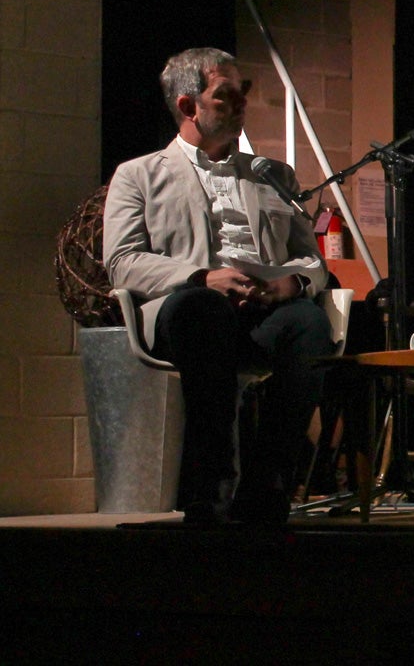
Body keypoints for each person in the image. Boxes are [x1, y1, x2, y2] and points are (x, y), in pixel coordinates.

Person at [103, 48, 332, 526]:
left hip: (261, 307)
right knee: (202, 311)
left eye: (242, 94)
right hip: (187, 310)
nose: (240, 105)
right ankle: (209, 486)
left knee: (309, 323)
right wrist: (201, 277)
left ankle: (267, 485)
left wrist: (294, 282)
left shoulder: (273, 175)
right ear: (188, 107)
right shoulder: (138, 175)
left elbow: (312, 257)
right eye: (224, 96)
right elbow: (122, 262)